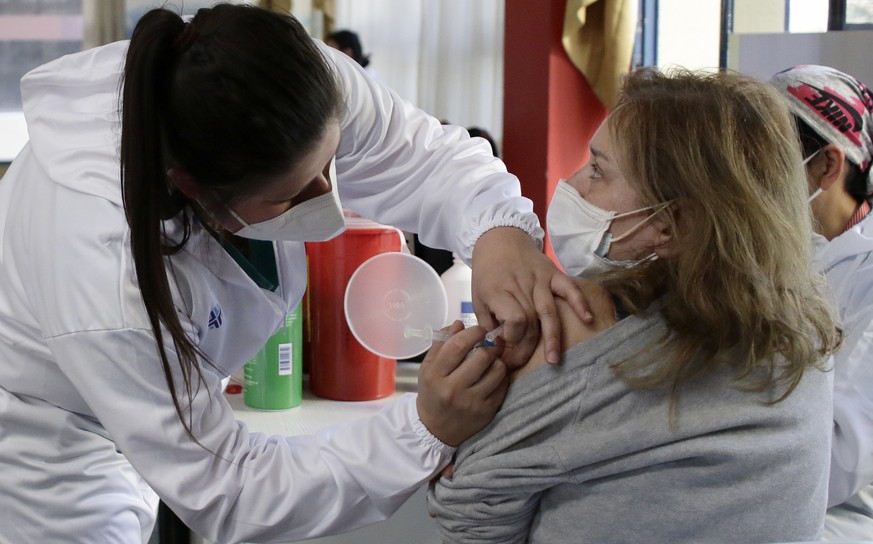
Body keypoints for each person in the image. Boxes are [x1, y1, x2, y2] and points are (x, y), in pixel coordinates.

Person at [0, 4, 591, 542]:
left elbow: (420, 155)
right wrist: (425, 427)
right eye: (291, 197)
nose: (329, 202)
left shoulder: (291, 81)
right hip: (53, 446)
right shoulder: (103, 270)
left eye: (332, 162)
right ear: (193, 188)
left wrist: (499, 233)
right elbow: (233, 491)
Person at [427, 68, 842, 543]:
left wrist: (440, 421)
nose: (574, 183)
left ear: (673, 221)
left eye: (598, 170)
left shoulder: (579, 345)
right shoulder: (803, 322)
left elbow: (468, 513)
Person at [770, 64, 873, 540]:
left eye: (766, 157)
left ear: (828, 166)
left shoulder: (867, 277)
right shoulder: (791, 241)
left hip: (841, 514)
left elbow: (839, 459)